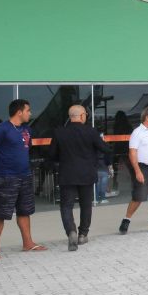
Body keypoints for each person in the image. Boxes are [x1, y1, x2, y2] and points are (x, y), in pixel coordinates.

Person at [0, 99, 45, 260]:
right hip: (6, 177)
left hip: (25, 175)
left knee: (25, 210)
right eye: (28, 110)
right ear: (19, 112)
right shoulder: (1, 129)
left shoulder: (27, 130)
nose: (30, 113)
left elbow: (26, 149)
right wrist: (0, 166)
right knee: (1, 213)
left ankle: (28, 243)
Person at [49, 105, 109, 251]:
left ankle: (71, 231)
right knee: (86, 205)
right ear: (82, 116)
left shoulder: (59, 132)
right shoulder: (91, 131)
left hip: (67, 174)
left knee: (66, 206)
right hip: (87, 174)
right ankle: (83, 234)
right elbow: (105, 149)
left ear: (70, 117)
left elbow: (51, 155)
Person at [94, 132, 113, 206]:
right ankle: (103, 198)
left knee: (97, 183)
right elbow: (108, 158)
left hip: (96, 167)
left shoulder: (94, 147)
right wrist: (110, 168)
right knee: (103, 183)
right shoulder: (105, 146)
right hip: (104, 167)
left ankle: (97, 198)